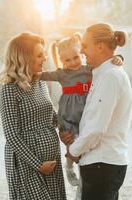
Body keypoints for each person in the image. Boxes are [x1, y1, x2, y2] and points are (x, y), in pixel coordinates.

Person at [38, 33, 123, 187]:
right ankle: (69, 167)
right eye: (67, 60)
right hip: (68, 116)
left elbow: (107, 63)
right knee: (71, 142)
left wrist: (119, 58)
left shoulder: (90, 69)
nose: (72, 62)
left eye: (75, 57)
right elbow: (43, 75)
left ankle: (83, 172)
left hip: (86, 113)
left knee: (85, 144)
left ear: (81, 55)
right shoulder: (61, 74)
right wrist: (25, 74)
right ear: (61, 60)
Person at [65, 23, 132, 200]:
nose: (81, 51)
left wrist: (73, 151)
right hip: (102, 165)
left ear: (100, 46)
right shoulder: (103, 73)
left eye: (85, 45)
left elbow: (96, 128)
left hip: (102, 166)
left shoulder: (110, 76)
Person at [0, 32, 66, 200]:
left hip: (51, 161)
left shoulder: (40, 81)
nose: (45, 58)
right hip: (26, 164)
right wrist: (38, 165)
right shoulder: (9, 89)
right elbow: (11, 135)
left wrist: (68, 127)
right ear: (24, 58)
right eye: (39, 55)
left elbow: (51, 115)